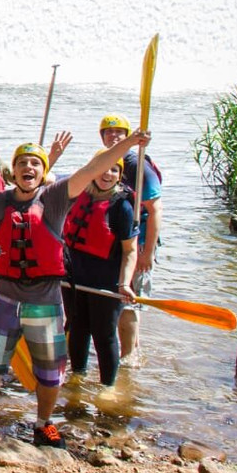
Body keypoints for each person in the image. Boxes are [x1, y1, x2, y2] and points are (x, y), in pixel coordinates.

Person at [0, 131, 150, 450]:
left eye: (35, 163)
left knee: (50, 371)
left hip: (45, 301)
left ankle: (43, 423)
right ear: (14, 170)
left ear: (43, 171)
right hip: (4, 298)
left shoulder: (55, 197)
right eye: (22, 163)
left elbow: (93, 169)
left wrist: (128, 144)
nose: (28, 168)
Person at [62, 152, 137, 386]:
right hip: (73, 278)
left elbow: (130, 251)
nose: (108, 173)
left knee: (103, 336)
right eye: (104, 168)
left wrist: (124, 283)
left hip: (105, 282)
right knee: (76, 328)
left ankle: (108, 386)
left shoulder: (121, 207)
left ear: (120, 175)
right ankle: (78, 376)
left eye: (115, 169)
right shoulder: (78, 193)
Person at [99, 113, 163, 359]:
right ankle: (133, 350)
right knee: (121, 301)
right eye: (108, 132)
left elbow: (155, 209)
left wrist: (148, 254)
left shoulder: (138, 167)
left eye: (119, 133)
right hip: (119, 244)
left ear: (128, 137)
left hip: (140, 244)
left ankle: (128, 360)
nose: (113, 136)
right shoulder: (106, 163)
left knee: (129, 304)